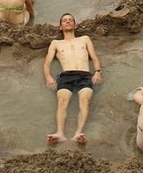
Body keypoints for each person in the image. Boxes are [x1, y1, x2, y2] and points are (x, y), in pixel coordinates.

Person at [43, 13, 102, 144]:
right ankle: (59, 133)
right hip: (66, 75)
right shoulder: (56, 43)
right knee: (62, 101)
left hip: (85, 75)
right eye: (64, 20)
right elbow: (47, 63)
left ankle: (78, 133)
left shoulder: (85, 39)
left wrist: (97, 72)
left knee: (85, 101)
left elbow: (95, 58)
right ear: (60, 27)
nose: (68, 22)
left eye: (70, 20)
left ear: (76, 25)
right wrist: (48, 77)